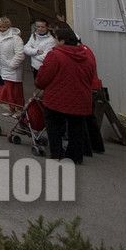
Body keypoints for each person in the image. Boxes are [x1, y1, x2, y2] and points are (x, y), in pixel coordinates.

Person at [35, 27, 97, 164]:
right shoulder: (86, 56)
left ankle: (57, 154)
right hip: (81, 98)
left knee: (54, 126)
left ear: (62, 41)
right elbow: (90, 76)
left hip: (57, 98)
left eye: (56, 39)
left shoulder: (55, 55)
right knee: (77, 128)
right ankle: (75, 156)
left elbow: (43, 77)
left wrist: (40, 84)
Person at [0, 16, 27, 119]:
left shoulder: (15, 38)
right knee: (5, 91)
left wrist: (12, 65)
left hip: (12, 69)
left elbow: (20, 54)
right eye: (0, 27)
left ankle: (19, 109)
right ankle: (10, 109)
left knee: (15, 91)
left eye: (4, 27)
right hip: (0, 67)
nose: (2, 29)